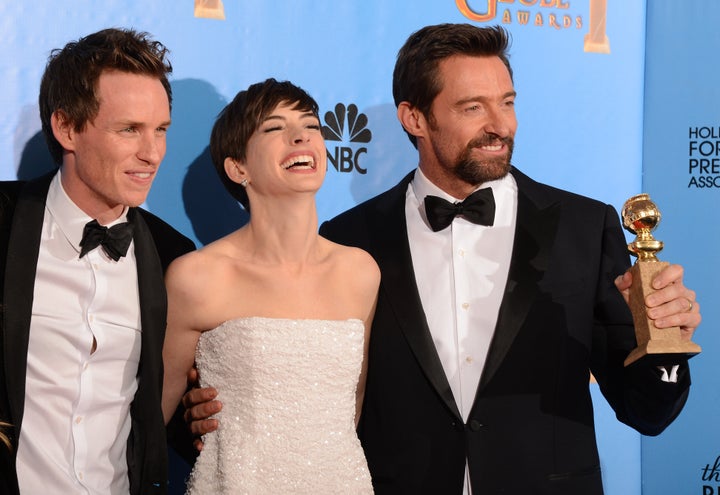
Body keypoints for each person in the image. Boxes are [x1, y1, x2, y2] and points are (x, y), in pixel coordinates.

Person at [185, 24, 701, 494]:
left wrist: (666, 345)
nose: (500, 125)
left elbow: (647, 411)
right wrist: (204, 413)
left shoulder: (585, 227)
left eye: (507, 102)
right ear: (414, 118)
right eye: (472, 107)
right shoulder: (350, 240)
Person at [0, 28, 195, 495]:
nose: (152, 154)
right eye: (129, 129)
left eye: (160, 130)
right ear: (67, 127)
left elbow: (162, 411)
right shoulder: (4, 224)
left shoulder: (175, 257)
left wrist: (198, 417)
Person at [161, 78, 379, 494]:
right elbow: (155, 420)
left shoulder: (360, 272)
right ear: (237, 167)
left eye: (312, 126)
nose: (301, 136)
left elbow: (351, 411)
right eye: (275, 128)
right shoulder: (198, 277)